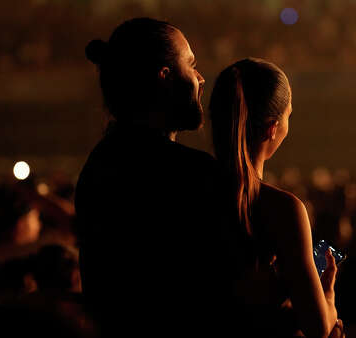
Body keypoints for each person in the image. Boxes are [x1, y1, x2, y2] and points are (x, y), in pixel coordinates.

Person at [75, 18, 228, 336]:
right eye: (191, 65)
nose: (201, 79)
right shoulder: (191, 174)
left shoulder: (100, 165)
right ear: (165, 76)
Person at [209, 58, 340, 337]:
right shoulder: (282, 209)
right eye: (288, 116)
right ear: (272, 128)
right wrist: (327, 297)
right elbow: (318, 326)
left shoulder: (187, 186)